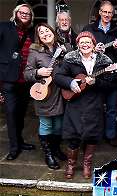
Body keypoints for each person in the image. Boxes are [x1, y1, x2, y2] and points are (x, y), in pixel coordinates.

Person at [54, 31, 114, 179]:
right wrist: (70, 82)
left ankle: (87, 164)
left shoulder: (104, 62)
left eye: (88, 42)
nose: (85, 44)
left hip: (94, 104)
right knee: (73, 136)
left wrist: (97, 82)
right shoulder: (70, 60)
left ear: (94, 45)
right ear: (78, 45)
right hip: (75, 103)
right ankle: (71, 164)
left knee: (92, 136)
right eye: (82, 42)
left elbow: (110, 85)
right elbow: (58, 77)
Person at [83, 0, 117, 147]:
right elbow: (81, 50)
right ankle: (93, 136)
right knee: (94, 108)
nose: (107, 15)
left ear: (112, 14)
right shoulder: (89, 29)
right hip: (95, 75)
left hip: (112, 76)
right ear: (100, 12)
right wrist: (93, 50)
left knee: (112, 108)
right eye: (105, 12)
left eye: (110, 12)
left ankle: (110, 135)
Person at [24, 23, 67, 169]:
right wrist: (38, 73)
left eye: (47, 30)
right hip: (44, 93)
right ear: (39, 38)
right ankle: (48, 154)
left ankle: (56, 149)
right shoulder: (35, 52)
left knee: (59, 126)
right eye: (41, 32)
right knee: (47, 125)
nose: (45, 33)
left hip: (60, 93)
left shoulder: (63, 48)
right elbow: (27, 74)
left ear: (53, 32)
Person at [0, 4, 36, 160]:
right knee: (11, 113)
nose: (24, 15)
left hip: (25, 80)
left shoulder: (31, 33)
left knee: (21, 113)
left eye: (28, 14)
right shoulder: (4, 27)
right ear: (15, 13)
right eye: (22, 12)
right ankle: (14, 147)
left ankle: (20, 141)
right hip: (8, 80)